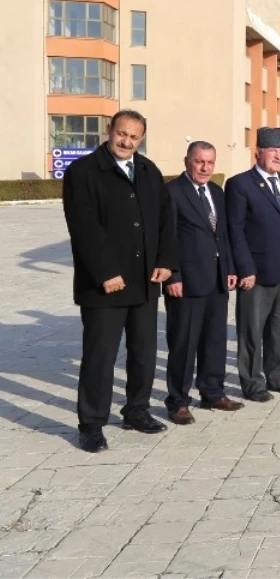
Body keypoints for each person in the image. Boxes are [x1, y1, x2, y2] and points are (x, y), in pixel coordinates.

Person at [61, 110, 177, 452]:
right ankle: (91, 424)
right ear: (109, 130)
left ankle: (136, 409)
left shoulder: (148, 170)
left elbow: (165, 220)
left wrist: (167, 262)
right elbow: (83, 227)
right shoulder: (83, 172)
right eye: (121, 134)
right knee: (100, 357)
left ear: (141, 139)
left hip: (145, 283)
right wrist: (106, 272)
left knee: (144, 352)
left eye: (134, 137)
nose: (126, 141)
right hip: (105, 285)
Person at [225, 127, 280, 402]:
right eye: (273, 150)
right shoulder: (240, 184)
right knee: (251, 331)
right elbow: (235, 231)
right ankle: (252, 383)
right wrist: (245, 269)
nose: (278, 155)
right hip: (257, 275)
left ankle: (279, 376)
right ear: (258, 152)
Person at [163, 140, 243, 424]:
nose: (205, 168)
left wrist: (230, 268)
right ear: (187, 161)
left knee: (214, 340)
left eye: (210, 162)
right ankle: (178, 401)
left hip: (217, 280)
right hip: (185, 284)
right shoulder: (173, 192)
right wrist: (172, 275)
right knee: (183, 344)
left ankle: (212, 392)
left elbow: (223, 235)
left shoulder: (217, 192)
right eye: (200, 162)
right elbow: (166, 238)